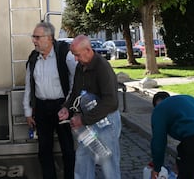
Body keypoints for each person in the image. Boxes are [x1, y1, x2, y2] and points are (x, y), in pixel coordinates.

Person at [58, 34, 121, 179]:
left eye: (77, 55)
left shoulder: (102, 67)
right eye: (73, 55)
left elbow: (111, 102)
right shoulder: (81, 66)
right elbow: (76, 92)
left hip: (106, 121)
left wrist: (83, 120)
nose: (75, 59)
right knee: (83, 157)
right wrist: (66, 108)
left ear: (88, 50)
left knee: (108, 162)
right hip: (88, 121)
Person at [23, 21, 77, 179]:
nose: (34, 40)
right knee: (44, 150)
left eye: (37, 37)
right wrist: (28, 111)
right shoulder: (34, 58)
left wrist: (68, 106)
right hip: (41, 108)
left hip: (62, 107)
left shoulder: (64, 53)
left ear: (49, 38)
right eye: (33, 37)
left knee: (67, 149)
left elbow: (75, 82)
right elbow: (28, 85)